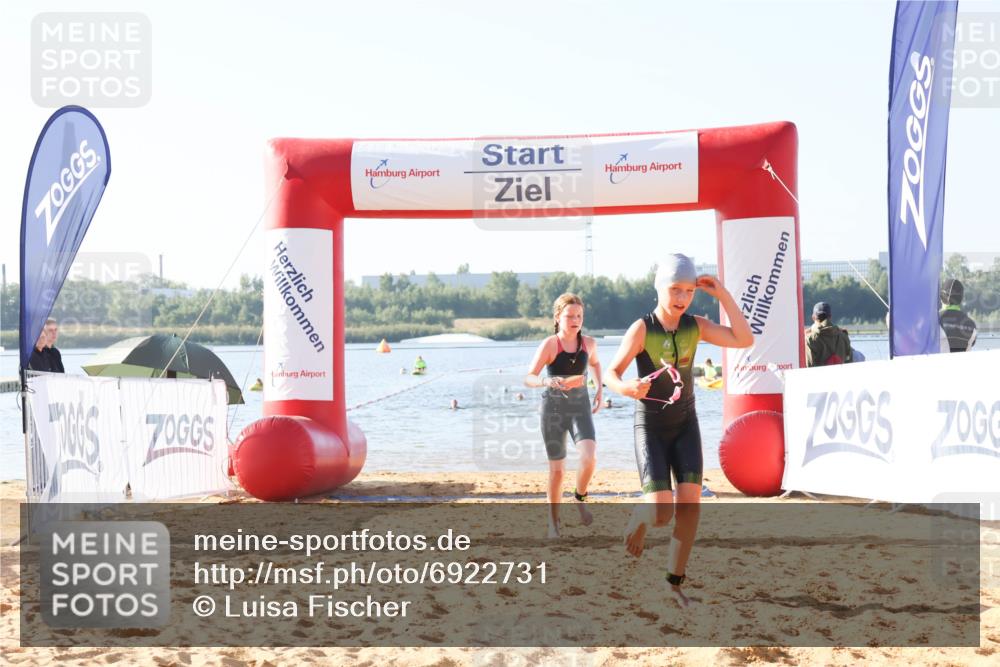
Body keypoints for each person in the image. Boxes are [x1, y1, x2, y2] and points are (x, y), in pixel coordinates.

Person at [603, 254, 753, 608]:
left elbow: (743, 339)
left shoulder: (695, 326)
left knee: (690, 509)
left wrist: (724, 297)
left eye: (688, 291)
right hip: (651, 428)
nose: (682, 297)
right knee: (660, 513)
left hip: (686, 425)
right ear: (659, 288)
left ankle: (673, 584)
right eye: (675, 289)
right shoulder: (642, 329)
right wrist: (626, 389)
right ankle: (641, 516)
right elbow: (610, 373)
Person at [526, 293, 603, 538]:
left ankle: (579, 496)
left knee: (589, 457)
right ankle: (553, 524)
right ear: (558, 317)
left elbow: (596, 364)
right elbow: (529, 378)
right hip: (553, 410)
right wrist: (550, 381)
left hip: (579, 408)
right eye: (570, 316)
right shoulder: (550, 345)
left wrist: (599, 387)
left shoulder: (589, 343)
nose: (575, 320)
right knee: (557, 471)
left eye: (579, 316)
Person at [805, 302, 853, 367]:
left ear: (813, 317)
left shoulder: (809, 338)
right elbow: (850, 362)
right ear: (830, 317)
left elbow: (809, 366)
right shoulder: (843, 336)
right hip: (841, 376)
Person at [939, 278, 977, 352]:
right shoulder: (971, 325)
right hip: (962, 363)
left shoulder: (934, 321)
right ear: (961, 299)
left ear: (942, 297)